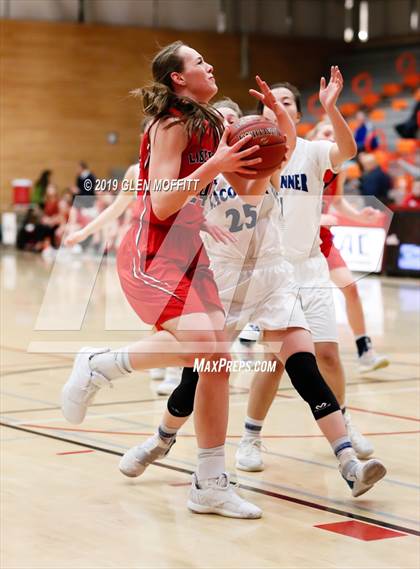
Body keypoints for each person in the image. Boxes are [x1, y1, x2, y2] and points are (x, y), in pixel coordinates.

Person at [119, 80, 387, 499]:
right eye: (224, 123)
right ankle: (160, 439)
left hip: (272, 275)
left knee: (304, 364)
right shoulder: (204, 174)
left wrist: (282, 118)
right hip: (223, 282)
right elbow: (173, 205)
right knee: (196, 378)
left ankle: (349, 461)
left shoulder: (266, 163)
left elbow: (287, 147)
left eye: (235, 120)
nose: (232, 127)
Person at [61, 41, 266, 519]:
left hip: (191, 250)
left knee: (217, 361)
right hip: (152, 253)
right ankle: (100, 363)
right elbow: (159, 204)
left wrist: (278, 134)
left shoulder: (214, 124)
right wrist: (213, 170)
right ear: (178, 79)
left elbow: (239, 188)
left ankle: (210, 482)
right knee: (207, 345)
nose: (210, 65)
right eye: (198, 62)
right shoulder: (170, 126)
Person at [310, 120, 390, 373]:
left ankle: (365, 350)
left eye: (335, 134)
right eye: (326, 132)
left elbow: (339, 202)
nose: (331, 137)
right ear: (312, 137)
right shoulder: (296, 161)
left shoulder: (338, 167)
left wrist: (359, 216)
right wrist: (314, 218)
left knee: (351, 288)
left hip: (322, 238)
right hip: (294, 237)